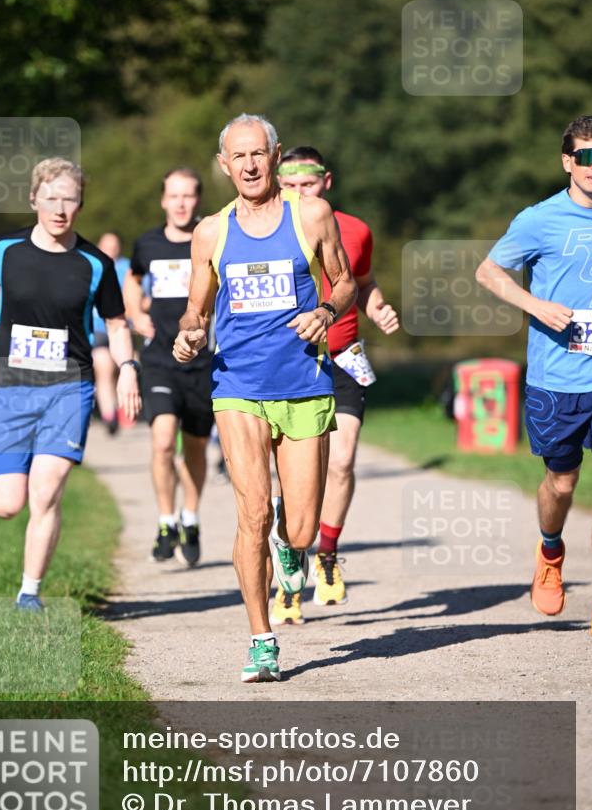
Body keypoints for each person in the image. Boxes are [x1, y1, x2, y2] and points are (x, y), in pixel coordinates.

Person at [173, 114, 357, 682]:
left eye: (259, 154)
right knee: (251, 511)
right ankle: (261, 638)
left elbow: (344, 281)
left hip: (303, 383)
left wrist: (326, 312)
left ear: (275, 157)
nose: (250, 165)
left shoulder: (312, 215)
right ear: (224, 165)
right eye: (238, 157)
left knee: (298, 528)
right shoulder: (211, 231)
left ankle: (292, 548)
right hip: (239, 387)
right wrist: (190, 333)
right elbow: (195, 307)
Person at [0, 157, 141, 610]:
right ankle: (29, 549)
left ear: (80, 204)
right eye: (51, 198)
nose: (60, 208)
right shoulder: (5, 250)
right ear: (33, 199)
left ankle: (29, 592)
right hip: (10, 388)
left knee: (46, 491)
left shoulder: (95, 263)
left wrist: (127, 368)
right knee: (6, 504)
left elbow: (117, 323)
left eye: (70, 199)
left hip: (69, 388)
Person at [475, 115, 592, 636]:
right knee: (562, 482)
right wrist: (535, 306)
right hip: (558, 377)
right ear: (568, 162)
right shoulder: (540, 219)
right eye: (586, 156)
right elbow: (488, 272)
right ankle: (550, 551)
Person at [271, 147, 399, 625]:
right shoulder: (265, 227)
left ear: (327, 182)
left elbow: (362, 282)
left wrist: (377, 306)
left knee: (341, 461)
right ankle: (288, 572)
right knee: (287, 477)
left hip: (344, 356)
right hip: (290, 360)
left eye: (307, 184)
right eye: (289, 185)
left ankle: (326, 555)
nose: (299, 193)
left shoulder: (356, 229)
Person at [124, 168, 213, 567]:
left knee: (194, 446)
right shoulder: (147, 243)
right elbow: (132, 279)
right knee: (162, 441)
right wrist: (132, 313)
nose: (180, 203)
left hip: (202, 361)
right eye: (173, 196)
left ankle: (190, 518)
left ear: (197, 200)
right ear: (163, 200)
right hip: (159, 358)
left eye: (188, 196)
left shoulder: (210, 239)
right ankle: (165, 521)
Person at [92, 232, 131, 435]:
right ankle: (110, 415)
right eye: (106, 245)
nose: (110, 249)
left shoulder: (128, 268)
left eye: (114, 245)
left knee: (125, 367)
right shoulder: (91, 264)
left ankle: (124, 407)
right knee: (104, 368)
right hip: (98, 328)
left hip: (123, 328)